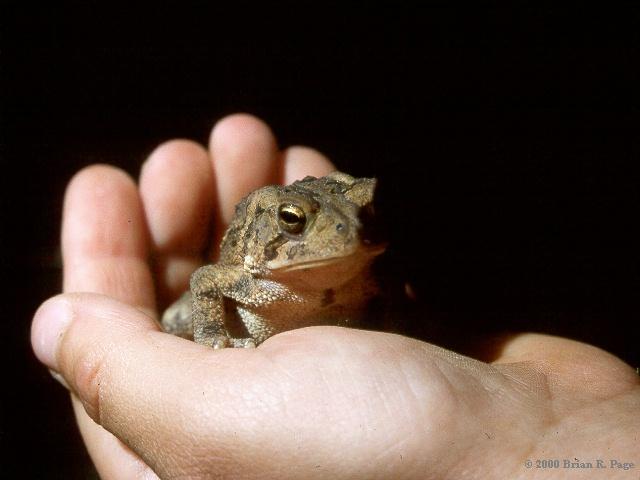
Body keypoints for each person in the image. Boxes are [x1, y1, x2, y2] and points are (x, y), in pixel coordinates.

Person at [31, 114, 639, 479]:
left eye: (363, 212)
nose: (347, 232)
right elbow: (204, 282)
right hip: (259, 295)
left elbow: (394, 301)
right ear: (280, 225)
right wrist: (214, 340)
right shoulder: (254, 277)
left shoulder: (369, 272)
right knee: (173, 317)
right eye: (298, 221)